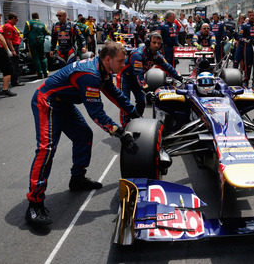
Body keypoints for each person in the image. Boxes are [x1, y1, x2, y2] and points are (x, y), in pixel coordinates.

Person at [25, 42, 139, 226]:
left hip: (63, 102)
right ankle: (34, 204)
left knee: (84, 135)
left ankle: (77, 179)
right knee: (46, 149)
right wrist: (121, 133)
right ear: (108, 59)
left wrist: (134, 113)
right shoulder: (90, 75)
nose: (123, 65)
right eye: (120, 61)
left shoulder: (102, 70)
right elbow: (97, 114)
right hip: (46, 102)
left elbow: (114, 94)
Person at [117, 32, 182, 126]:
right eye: (154, 42)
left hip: (137, 79)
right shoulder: (138, 55)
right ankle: (125, 125)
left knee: (141, 102)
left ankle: (136, 119)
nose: (156, 45)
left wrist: (180, 77)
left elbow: (168, 67)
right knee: (124, 102)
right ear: (148, 43)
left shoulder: (157, 55)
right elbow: (138, 75)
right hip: (126, 78)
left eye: (159, 44)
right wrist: (147, 90)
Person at [24, 12, 49, 79]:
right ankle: (45, 72)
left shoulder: (29, 23)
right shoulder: (43, 24)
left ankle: (39, 73)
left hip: (32, 42)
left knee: (35, 57)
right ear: (38, 16)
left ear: (32, 17)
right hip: (41, 42)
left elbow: (25, 33)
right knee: (43, 57)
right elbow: (47, 32)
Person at [3, 13, 24, 86]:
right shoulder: (8, 26)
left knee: (15, 64)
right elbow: (8, 39)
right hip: (13, 47)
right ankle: (14, 81)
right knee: (14, 65)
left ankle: (15, 80)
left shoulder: (12, 26)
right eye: (16, 20)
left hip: (15, 46)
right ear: (12, 19)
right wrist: (13, 50)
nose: (16, 21)